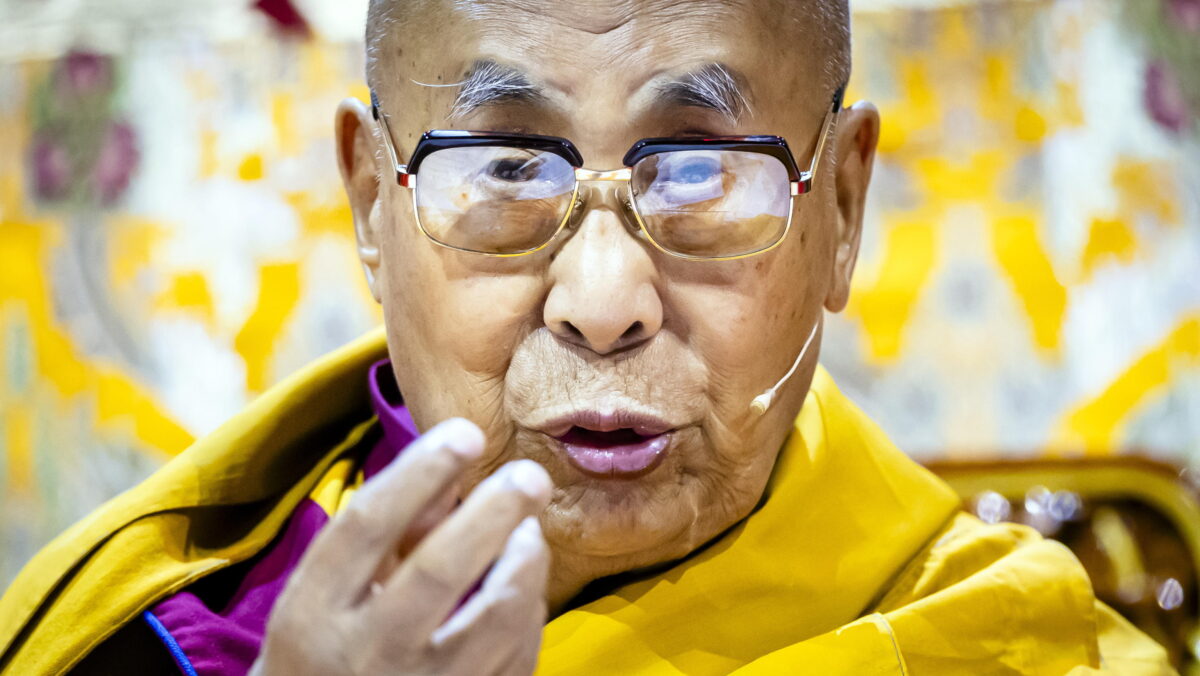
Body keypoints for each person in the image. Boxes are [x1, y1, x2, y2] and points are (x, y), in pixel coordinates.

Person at [0, 1, 1177, 674]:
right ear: (368, 203)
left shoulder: (1008, 648)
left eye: (700, 167)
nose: (604, 300)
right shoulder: (143, 627)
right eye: (508, 164)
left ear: (842, 207)